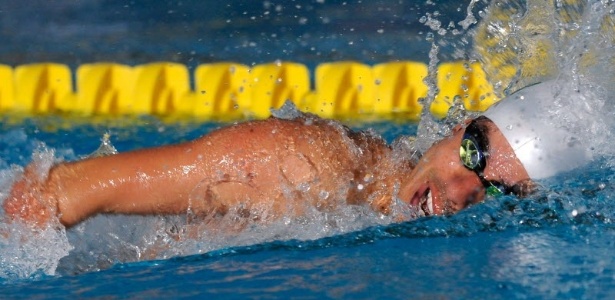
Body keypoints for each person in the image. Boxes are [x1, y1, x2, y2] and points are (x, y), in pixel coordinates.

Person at [2, 80, 592, 229]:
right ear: (458, 126)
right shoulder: (298, 165)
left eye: (501, 192)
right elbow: (52, 194)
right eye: (473, 151)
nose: (464, 191)